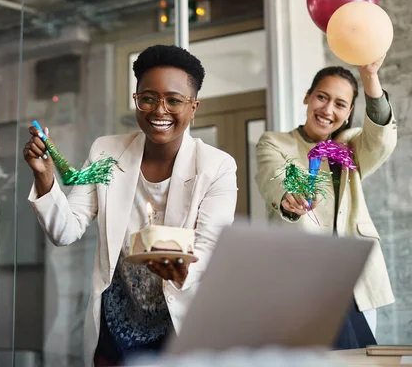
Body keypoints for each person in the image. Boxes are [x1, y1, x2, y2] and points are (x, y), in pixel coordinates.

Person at [24, 45, 238, 366]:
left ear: (193, 108)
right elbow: (65, 230)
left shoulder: (216, 166)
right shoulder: (107, 152)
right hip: (113, 333)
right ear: (136, 99)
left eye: (174, 100)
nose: (159, 110)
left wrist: (182, 269)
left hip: (178, 330)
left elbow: (210, 248)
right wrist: (44, 178)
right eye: (148, 97)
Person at [255, 56, 396, 349]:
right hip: (303, 282)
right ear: (308, 97)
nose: (328, 109)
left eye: (340, 104)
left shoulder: (352, 147)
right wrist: (291, 196)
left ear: (349, 112)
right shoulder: (275, 142)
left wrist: (369, 75)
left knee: (360, 358)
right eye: (322, 97)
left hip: (354, 280)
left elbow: (381, 138)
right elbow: (276, 175)